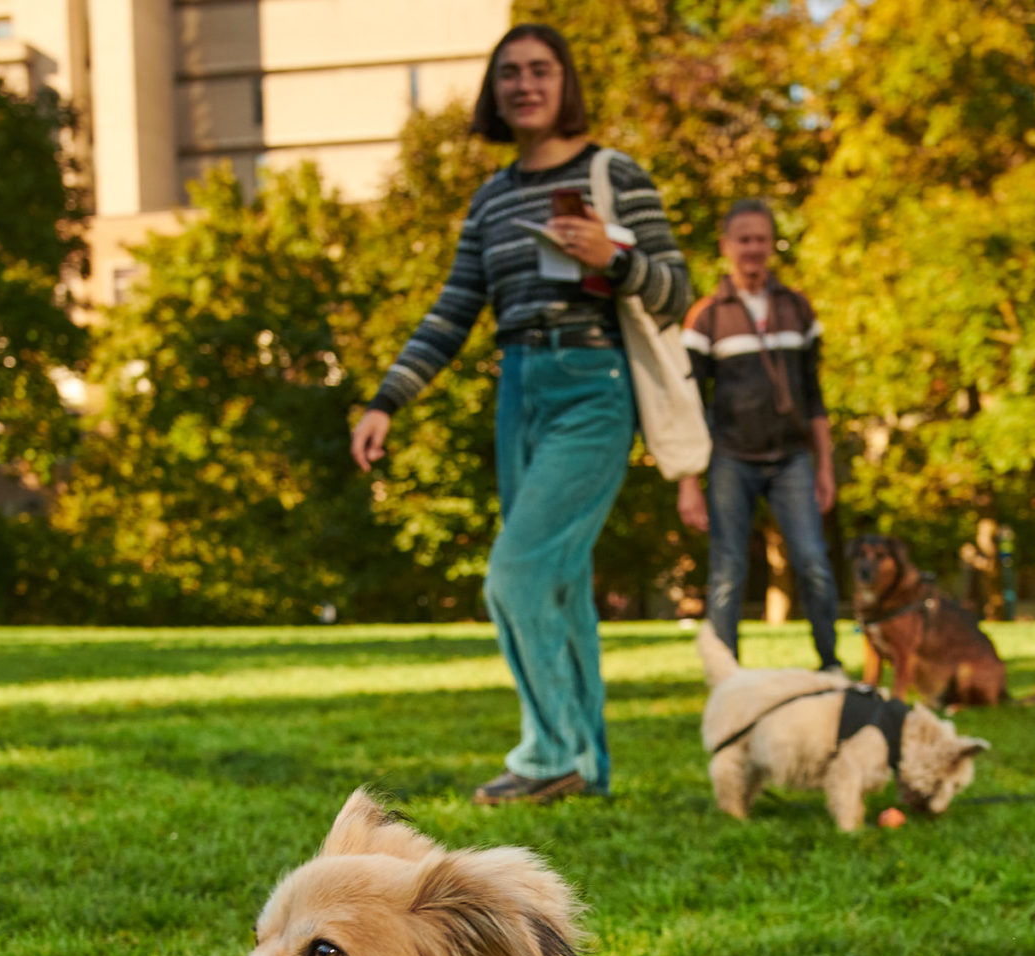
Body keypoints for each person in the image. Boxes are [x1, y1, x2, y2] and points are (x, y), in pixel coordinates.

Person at [350, 25, 692, 804]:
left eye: (541, 70)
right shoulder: (493, 199)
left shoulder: (615, 175)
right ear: (494, 91)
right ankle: (585, 765)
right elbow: (451, 311)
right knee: (558, 582)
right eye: (509, 73)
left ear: (566, 83)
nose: (525, 84)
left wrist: (615, 259)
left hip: (593, 383)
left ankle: (549, 756)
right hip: (519, 388)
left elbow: (676, 289)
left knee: (517, 573)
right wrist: (385, 400)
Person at [675, 199, 841, 673]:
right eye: (743, 239)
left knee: (812, 561)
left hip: (792, 458)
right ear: (727, 246)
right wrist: (689, 480)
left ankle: (830, 664)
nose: (753, 248)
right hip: (731, 457)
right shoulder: (707, 316)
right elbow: (689, 405)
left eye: (761, 239)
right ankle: (726, 674)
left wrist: (825, 467)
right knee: (728, 571)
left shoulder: (797, 309)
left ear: (772, 245)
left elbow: (814, 397)